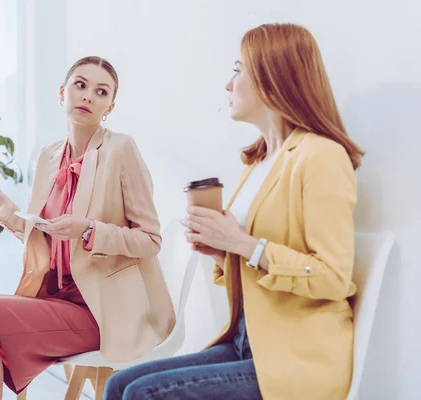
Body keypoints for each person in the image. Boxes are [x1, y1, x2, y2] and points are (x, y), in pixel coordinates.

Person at [104, 23, 365, 400]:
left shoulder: (321, 157)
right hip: (249, 340)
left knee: (141, 394)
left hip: (296, 356)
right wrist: (222, 251)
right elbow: (248, 259)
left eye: (238, 69)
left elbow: (332, 277)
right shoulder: (257, 164)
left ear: (272, 77)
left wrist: (243, 245)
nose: (229, 85)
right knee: (119, 384)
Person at [0, 56, 175, 400]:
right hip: (56, 299)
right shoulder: (49, 156)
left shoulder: (121, 150)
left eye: (101, 91)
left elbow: (151, 240)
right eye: (80, 85)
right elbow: (45, 237)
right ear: (62, 92)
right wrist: (2, 203)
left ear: (110, 105)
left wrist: (89, 229)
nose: (88, 97)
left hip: (100, 310)